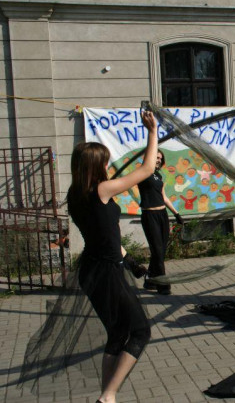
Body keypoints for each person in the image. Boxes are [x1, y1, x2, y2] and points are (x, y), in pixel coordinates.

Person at [64, 110, 158, 403]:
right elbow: (143, 171)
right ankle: (108, 396)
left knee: (118, 334)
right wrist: (152, 132)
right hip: (105, 272)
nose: (108, 164)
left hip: (93, 268)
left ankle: (107, 395)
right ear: (95, 167)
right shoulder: (102, 191)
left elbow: (104, 235)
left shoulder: (75, 194)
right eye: (104, 161)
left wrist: (129, 259)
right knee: (141, 332)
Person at [138, 150, 184, 295]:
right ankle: (163, 284)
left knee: (161, 251)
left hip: (163, 214)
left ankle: (150, 279)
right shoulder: (141, 173)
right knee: (157, 250)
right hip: (149, 215)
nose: (158, 160)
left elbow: (163, 196)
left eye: (160, 158)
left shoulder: (158, 176)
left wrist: (176, 213)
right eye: (156, 157)